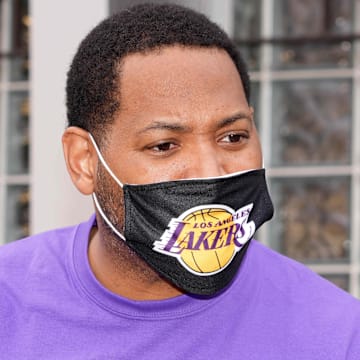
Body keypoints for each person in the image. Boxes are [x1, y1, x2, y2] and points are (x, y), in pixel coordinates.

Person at [0, 4, 359, 359]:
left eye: (233, 137)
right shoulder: (10, 304)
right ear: (85, 162)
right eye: (164, 145)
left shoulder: (337, 334)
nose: (209, 171)